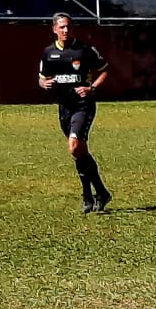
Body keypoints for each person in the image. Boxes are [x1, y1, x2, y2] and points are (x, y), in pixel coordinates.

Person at [38, 13, 112, 214]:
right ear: (54, 29)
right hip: (64, 107)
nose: (66, 30)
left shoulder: (85, 50)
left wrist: (92, 88)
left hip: (83, 106)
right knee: (80, 152)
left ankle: (91, 194)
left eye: (69, 26)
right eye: (62, 27)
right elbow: (42, 78)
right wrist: (44, 83)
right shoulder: (48, 53)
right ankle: (96, 193)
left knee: (74, 147)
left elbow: (104, 70)